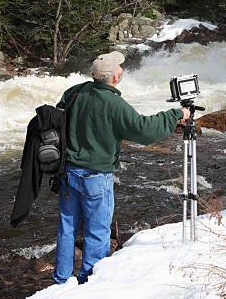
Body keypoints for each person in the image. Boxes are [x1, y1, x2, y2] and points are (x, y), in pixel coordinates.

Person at [53, 51, 190, 284]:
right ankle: (88, 282)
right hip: (96, 177)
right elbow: (144, 131)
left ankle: (61, 280)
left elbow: (59, 117)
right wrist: (175, 113)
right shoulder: (114, 103)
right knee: (97, 232)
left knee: (67, 228)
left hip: (68, 172)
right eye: (120, 67)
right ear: (114, 78)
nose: (122, 69)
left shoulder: (75, 92)